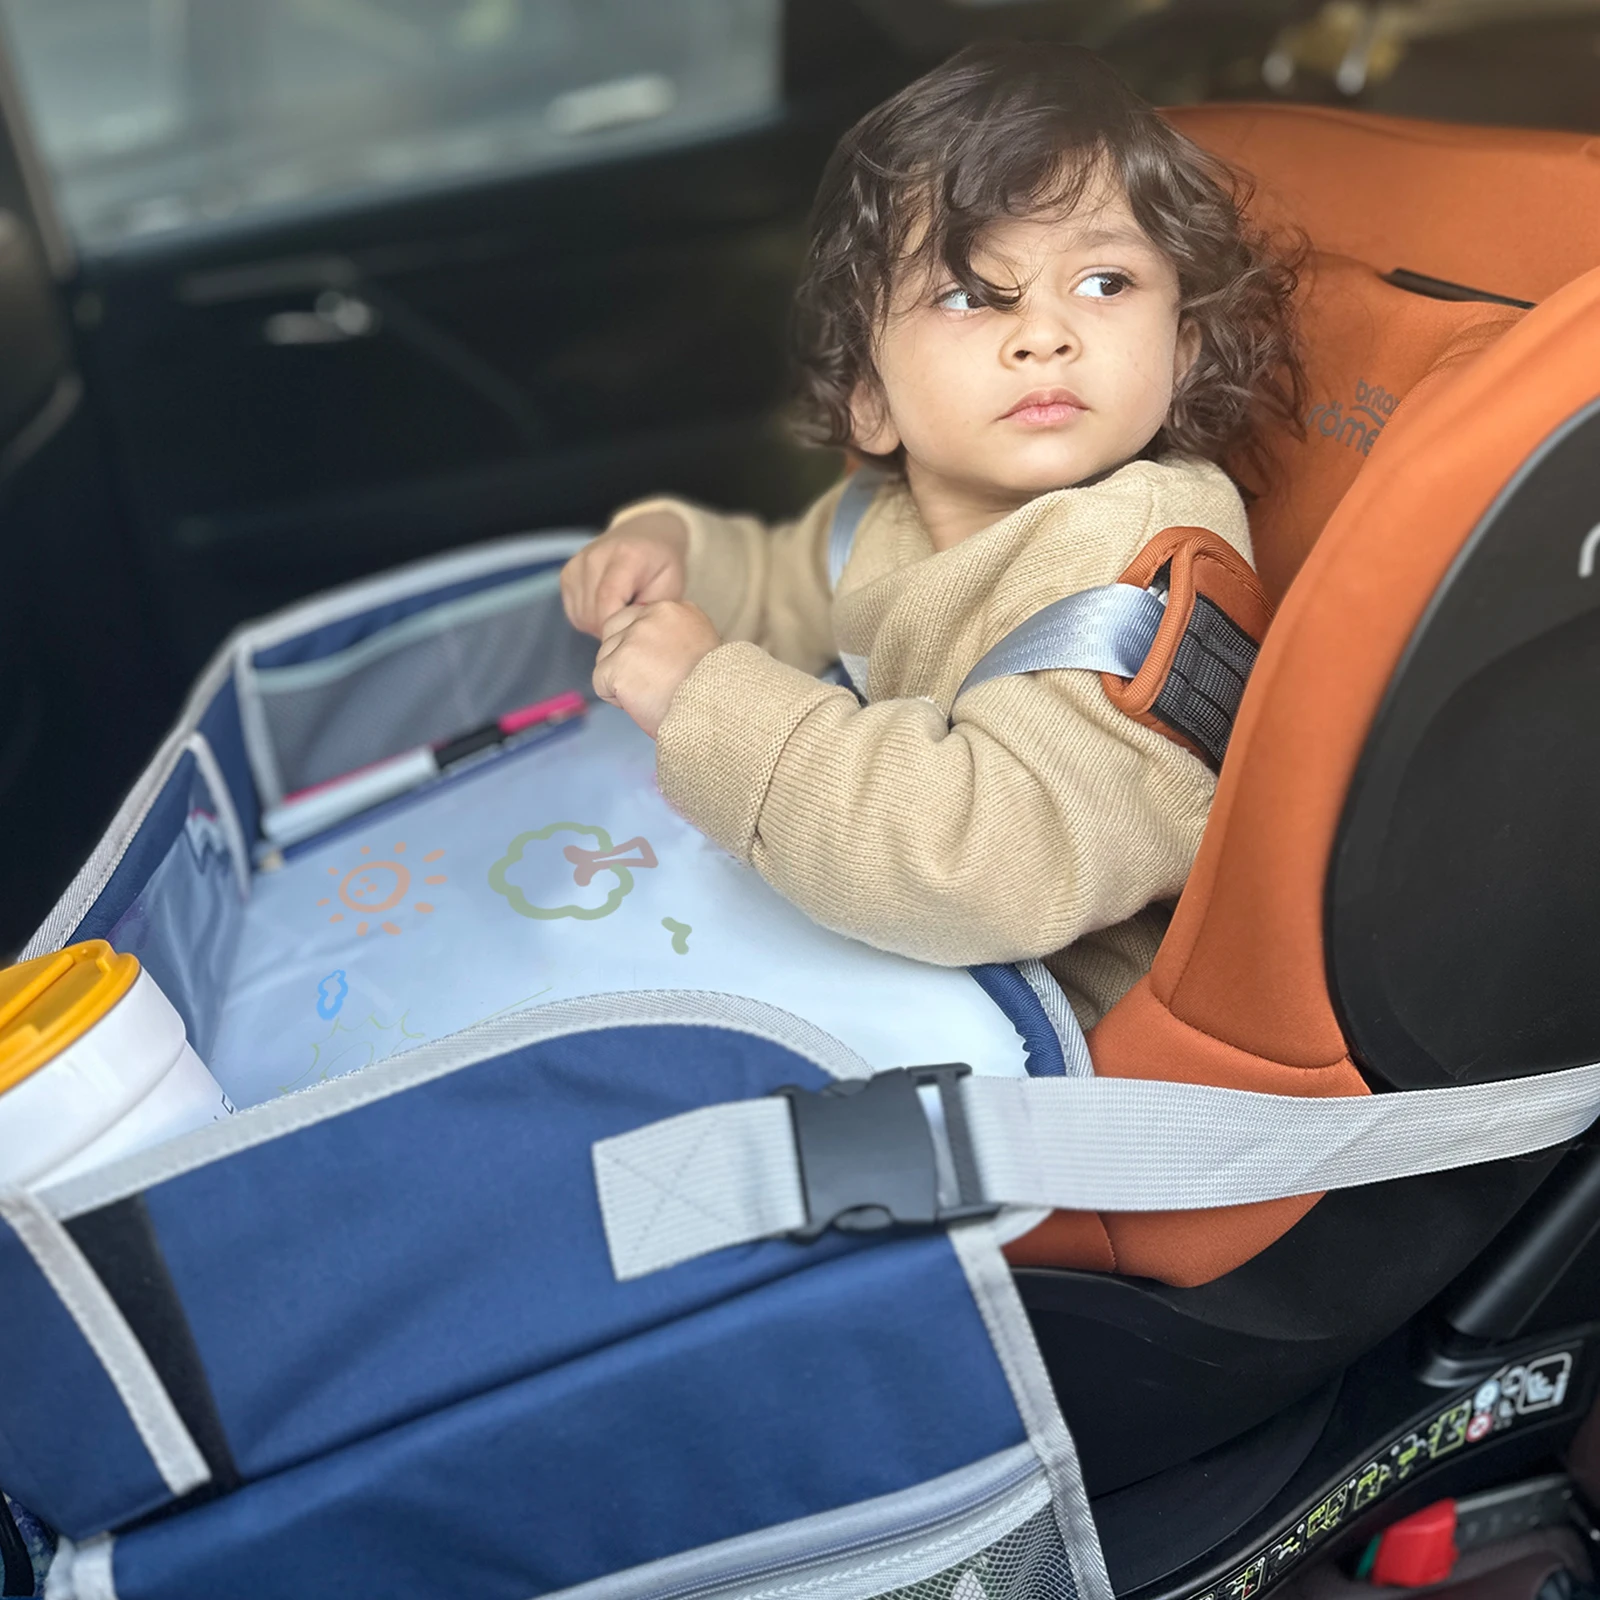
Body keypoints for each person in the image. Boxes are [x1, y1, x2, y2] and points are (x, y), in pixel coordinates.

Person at [559, 40, 1304, 1028]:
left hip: (1050, 1042)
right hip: (903, 972)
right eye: (966, 294)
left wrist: (705, 697)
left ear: (1183, 345)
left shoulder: (1139, 558)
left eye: (1104, 283)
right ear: (870, 401)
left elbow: (993, 862)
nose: (1043, 332)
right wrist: (672, 552)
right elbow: (791, 583)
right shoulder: (897, 509)